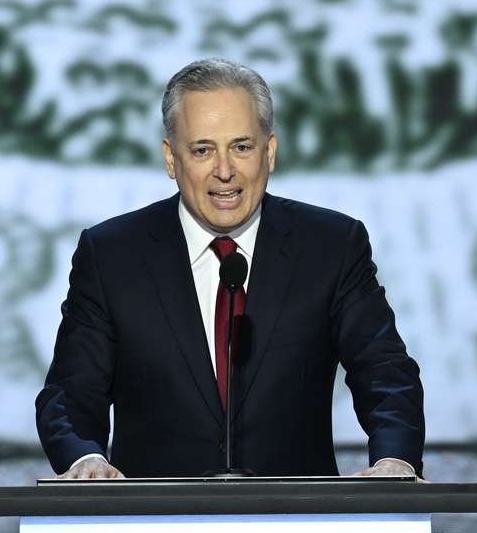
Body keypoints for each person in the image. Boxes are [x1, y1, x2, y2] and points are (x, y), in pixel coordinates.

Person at [35, 57, 425, 479]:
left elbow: (385, 373)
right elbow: (72, 392)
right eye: (203, 150)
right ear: (171, 159)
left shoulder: (331, 246)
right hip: (151, 529)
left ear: (269, 152)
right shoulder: (112, 254)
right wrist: (85, 459)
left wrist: (394, 460)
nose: (224, 172)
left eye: (241, 147)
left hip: (296, 527)